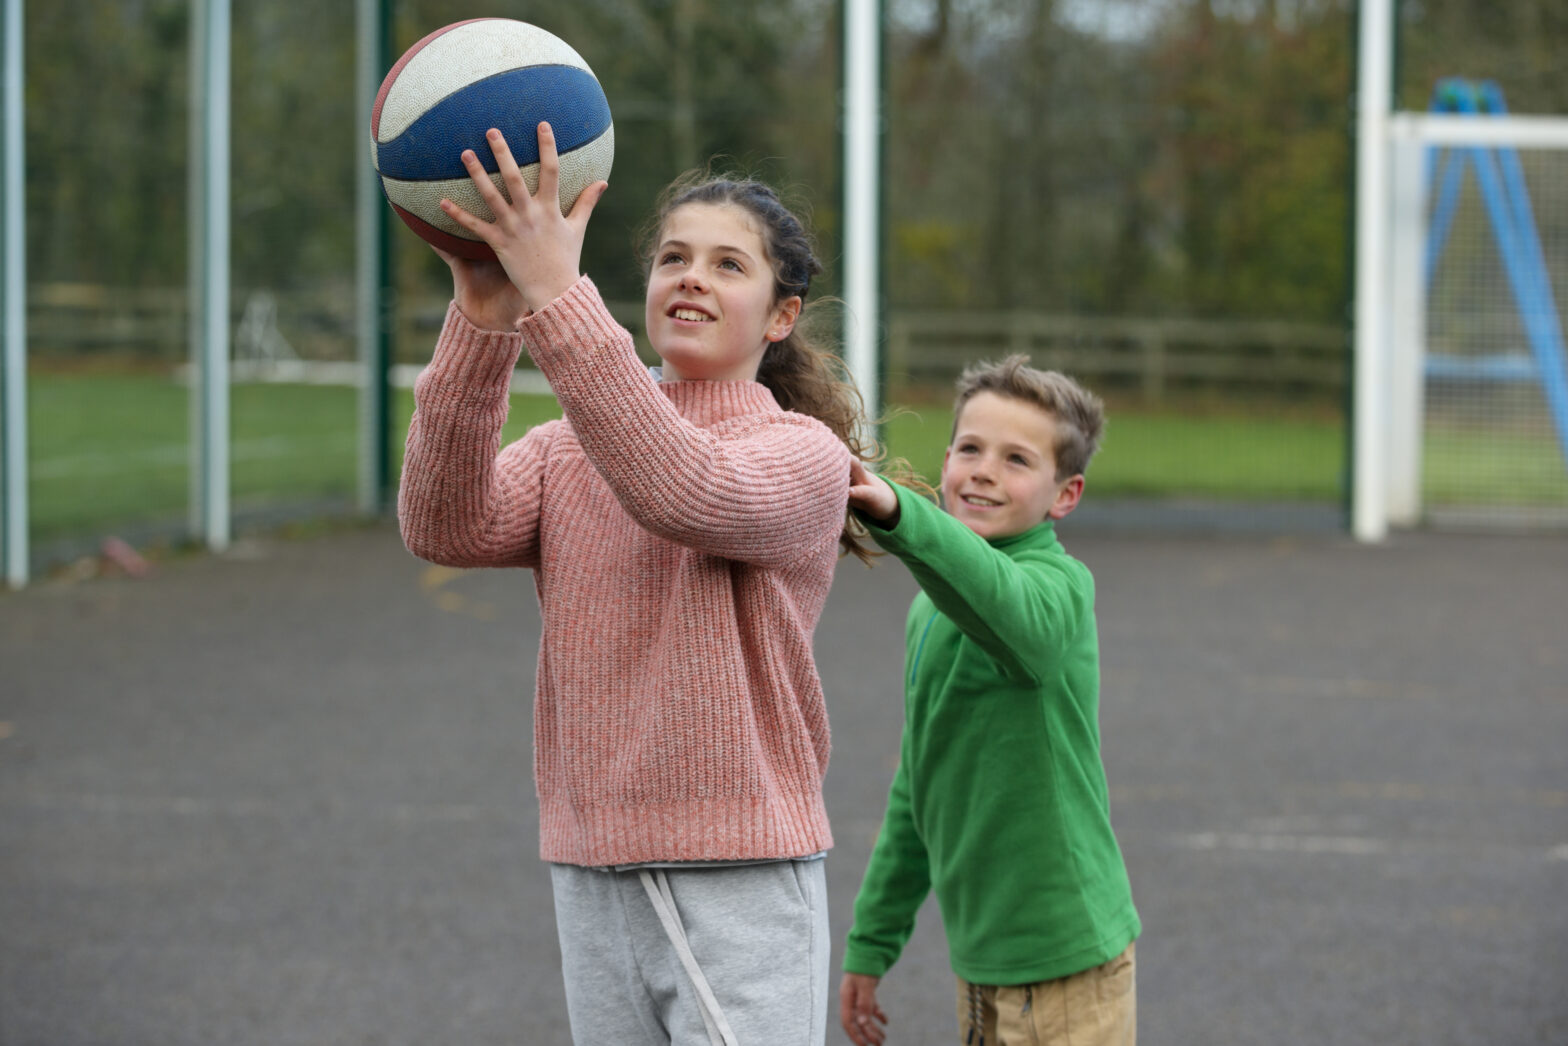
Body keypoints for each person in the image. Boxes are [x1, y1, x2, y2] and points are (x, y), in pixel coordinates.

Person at [398, 123, 875, 1045]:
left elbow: (681, 488)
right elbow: (443, 523)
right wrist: (484, 322)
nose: (691, 276)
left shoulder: (800, 455)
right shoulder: (567, 447)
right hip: (590, 866)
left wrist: (558, 297)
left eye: (729, 265)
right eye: (672, 257)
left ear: (782, 315)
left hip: (737, 873)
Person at [837, 356, 1141, 1046]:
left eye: (1016, 460)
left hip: (1068, 966)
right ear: (945, 460)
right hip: (982, 963)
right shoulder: (930, 612)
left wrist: (901, 512)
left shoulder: (1060, 587)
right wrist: (871, 943)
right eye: (970, 449)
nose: (982, 471)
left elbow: (1010, 612)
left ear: (1066, 495)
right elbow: (921, 784)